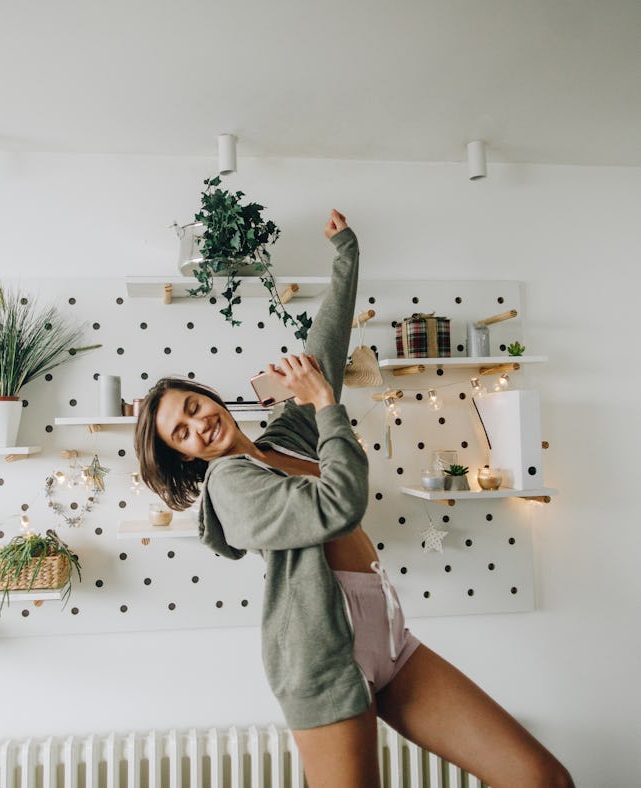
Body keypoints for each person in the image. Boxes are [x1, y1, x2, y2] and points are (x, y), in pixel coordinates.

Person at [135, 210, 573, 787]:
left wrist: (346, 256)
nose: (198, 427)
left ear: (207, 396)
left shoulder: (276, 442)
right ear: (185, 456)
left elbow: (325, 353)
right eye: (181, 434)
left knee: (539, 778)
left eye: (194, 407)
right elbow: (339, 505)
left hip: (390, 641)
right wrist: (325, 406)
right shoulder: (230, 485)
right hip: (322, 667)